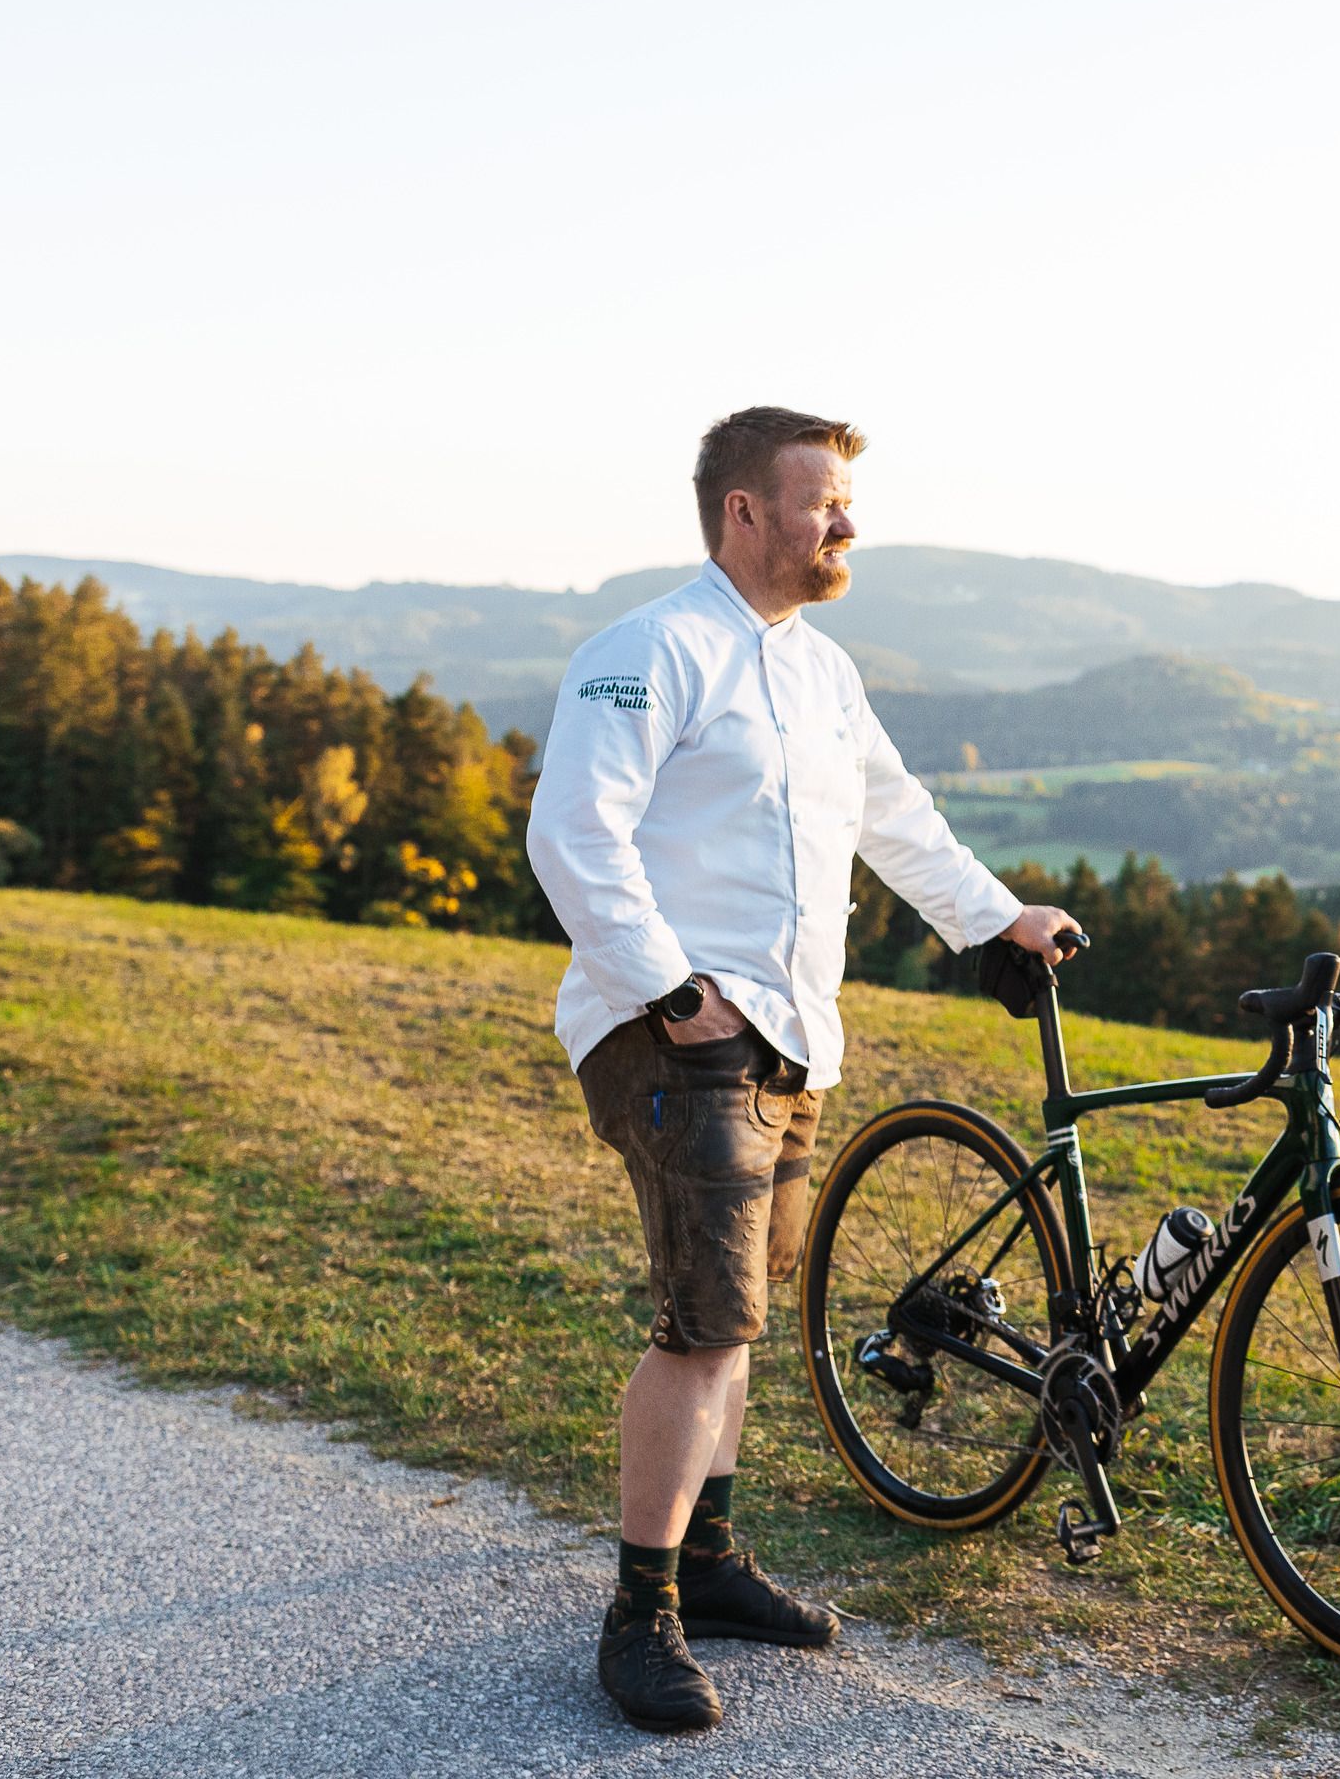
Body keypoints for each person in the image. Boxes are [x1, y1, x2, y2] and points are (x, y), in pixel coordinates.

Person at [526, 406, 1076, 1733]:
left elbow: (898, 818)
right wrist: (670, 988)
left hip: (787, 1040)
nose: (846, 523)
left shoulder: (822, 672)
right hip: (675, 1035)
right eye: (822, 499)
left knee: (743, 1315)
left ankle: (705, 1565)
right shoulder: (649, 650)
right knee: (705, 1325)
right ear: (744, 514)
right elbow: (572, 831)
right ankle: (640, 1614)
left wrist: (995, 919)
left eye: (846, 502)